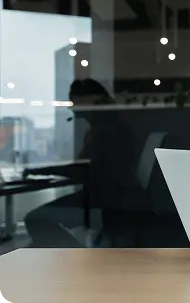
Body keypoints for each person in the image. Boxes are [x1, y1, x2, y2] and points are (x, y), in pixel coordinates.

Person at [24, 79, 138, 247]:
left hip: (103, 203)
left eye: (74, 102)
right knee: (35, 242)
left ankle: (78, 258)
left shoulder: (105, 132)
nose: (71, 107)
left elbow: (84, 171)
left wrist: (42, 170)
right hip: (106, 199)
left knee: (35, 220)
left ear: (88, 102)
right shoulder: (107, 127)